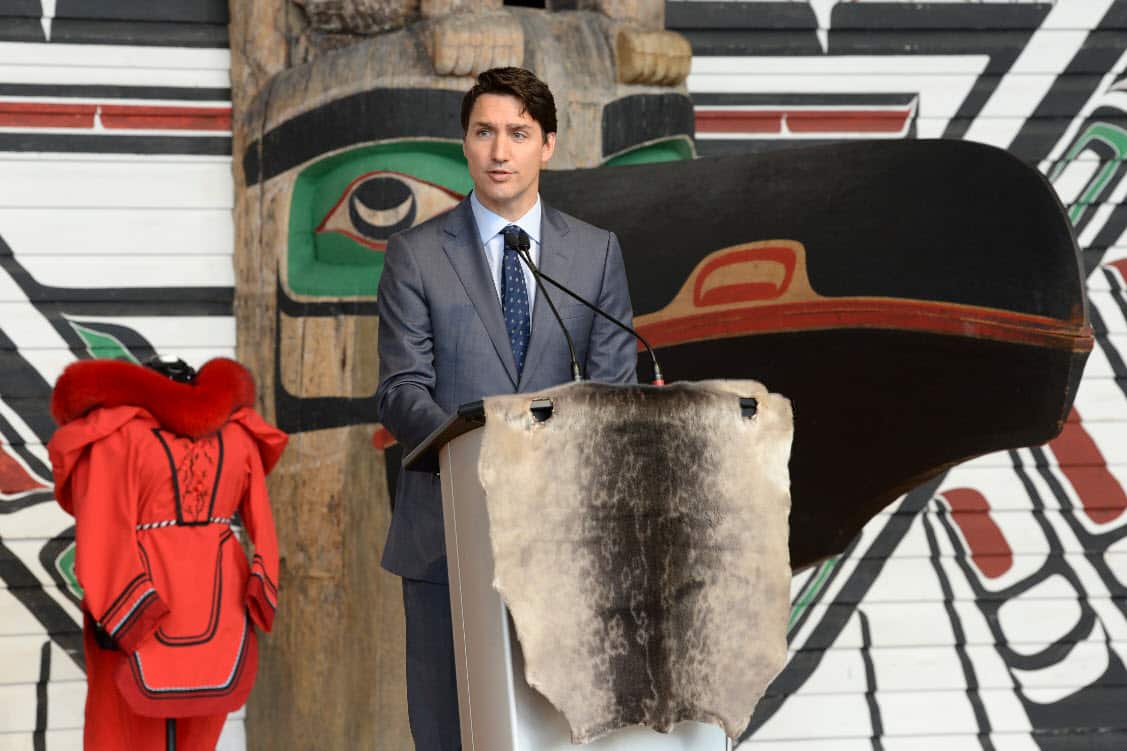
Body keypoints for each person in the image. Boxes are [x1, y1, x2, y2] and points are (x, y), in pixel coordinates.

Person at [375, 67, 638, 750]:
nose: (499, 151)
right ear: (463, 144)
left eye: (518, 133)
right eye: (484, 132)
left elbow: (614, 390)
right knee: (447, 728)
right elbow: (401, 387)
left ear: (547, 144)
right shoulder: (415, 254)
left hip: (563, 534)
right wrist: (482, 451)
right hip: (445, 528)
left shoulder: (594, 253)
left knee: (558, 730)